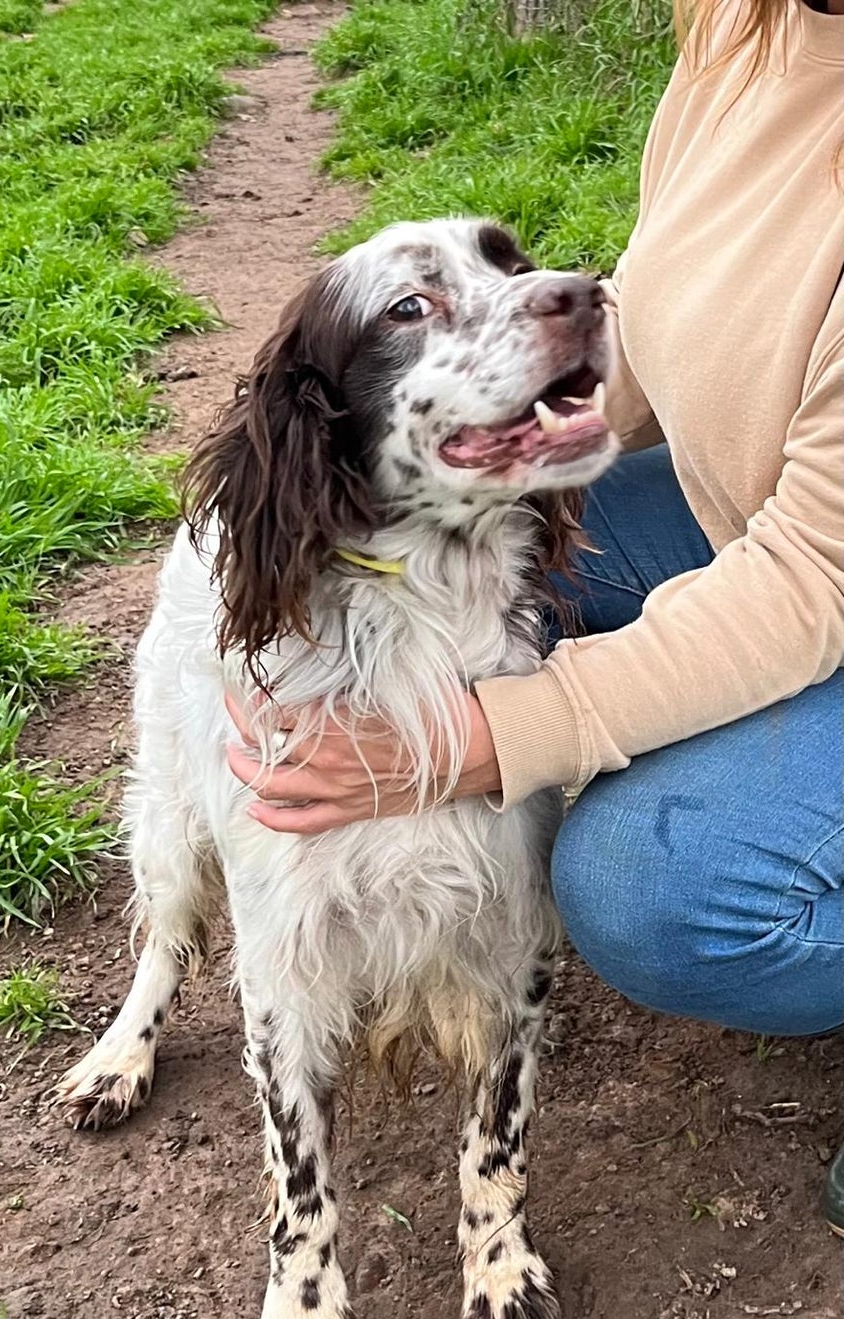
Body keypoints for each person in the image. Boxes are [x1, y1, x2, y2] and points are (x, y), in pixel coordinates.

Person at [226, 0, 844, 1225]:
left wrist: (476, 741)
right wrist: (512, 427)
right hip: (760, 516)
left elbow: (813, 574)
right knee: (473, 537)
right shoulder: (750, 27)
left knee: (647, 884)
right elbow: (681, 321)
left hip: (816, 565)